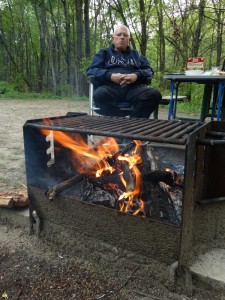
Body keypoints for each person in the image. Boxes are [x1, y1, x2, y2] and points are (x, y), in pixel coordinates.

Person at [86, 24, 162, 118]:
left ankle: (133, 122)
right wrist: (110, 76)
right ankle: (121, 120)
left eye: (125, 35)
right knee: (99, 95)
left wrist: (136, 75)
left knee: (154, 95)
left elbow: (149, 70)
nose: (122, 37)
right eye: (119, 35)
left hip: (134, 89)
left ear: (129, 40)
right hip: (110, 88)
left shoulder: (136, 55)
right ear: (113, 38)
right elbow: (91, 70)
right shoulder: (104, 53)